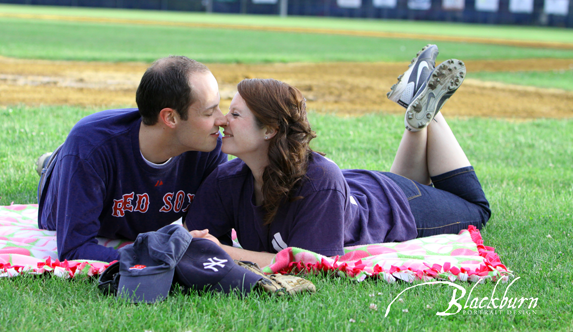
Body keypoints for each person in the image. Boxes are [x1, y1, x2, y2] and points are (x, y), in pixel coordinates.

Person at [185, 45, 491, 268]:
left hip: (396, 204)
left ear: (269, 130)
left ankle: (431, 115)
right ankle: (417, 103)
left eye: (235, 114)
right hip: (359, 189)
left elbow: (311, 264)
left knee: (477, 209)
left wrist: (228, 252)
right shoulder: (227, 179)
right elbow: (192, 241)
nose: (223, 120)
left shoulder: (318, 181)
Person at [36, 56, 228, 262]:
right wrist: (155, 257)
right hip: (72, 166)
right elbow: (74, 250)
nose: (222, 119)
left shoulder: (209, 147)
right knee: (73, 161)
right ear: (170, 118)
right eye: (209, 112)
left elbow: (210, 241)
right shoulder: (91, 148)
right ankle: (50, 163)